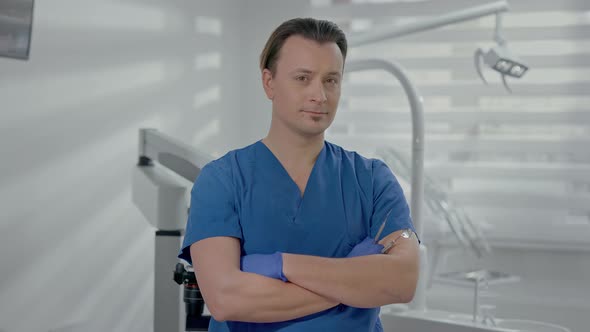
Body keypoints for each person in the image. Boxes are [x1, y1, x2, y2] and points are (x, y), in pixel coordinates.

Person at [178, 17, 419, 331]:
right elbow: (227, 299)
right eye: (303, 78)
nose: (320, 95)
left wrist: (280, 266)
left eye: (331, 80)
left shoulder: (373, 180)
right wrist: (354, 279)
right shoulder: (222, 180)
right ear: (269, 82)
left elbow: (402, 282)